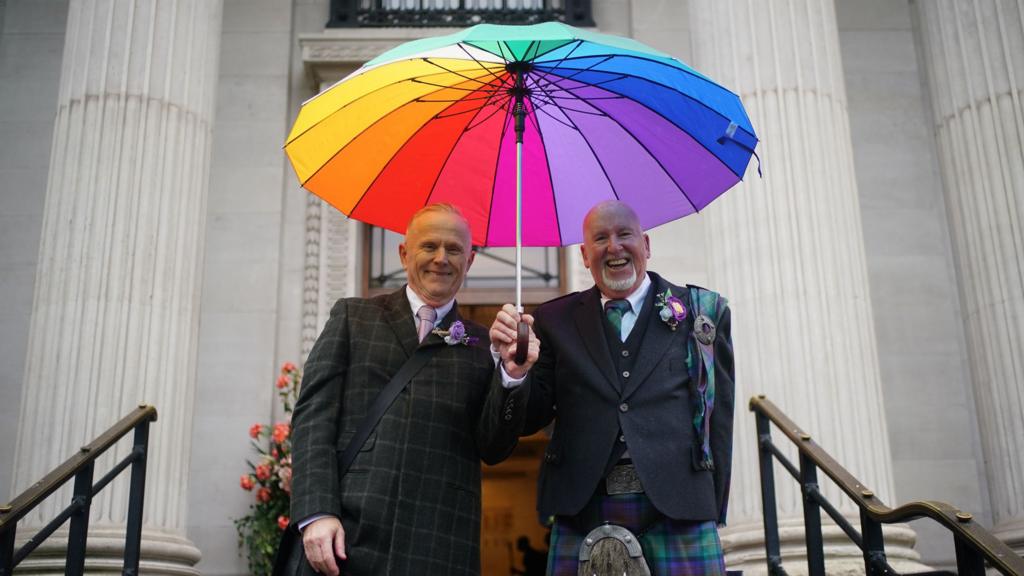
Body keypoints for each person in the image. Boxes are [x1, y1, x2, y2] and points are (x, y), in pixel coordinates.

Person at [287, 203, 538, 576]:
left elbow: (494, 448)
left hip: (439, 542)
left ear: (469, 261)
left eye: (453, 250)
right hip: (345, 536)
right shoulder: (353, 317)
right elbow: (313, 420)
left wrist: (512, 376)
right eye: (429, 246)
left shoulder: (484, 346)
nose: (441, 259)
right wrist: (317, 511)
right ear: (404, 253)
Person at [489, 200, 735, 576]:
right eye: (600, 239)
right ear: (585, 256)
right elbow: (531, 418)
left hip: (681, 509)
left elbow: (720, 419)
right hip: (583, 507)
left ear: (647, 245)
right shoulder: (553, 320)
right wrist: (516, 371)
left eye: (624, 235)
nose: (614, 246)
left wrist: (710, 505)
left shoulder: (701, 311)